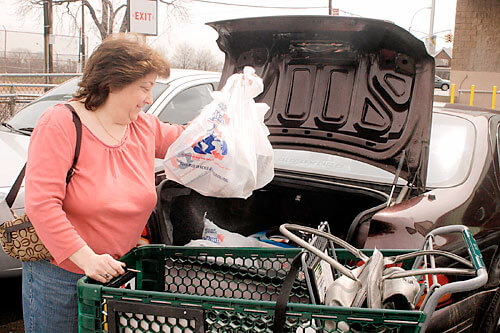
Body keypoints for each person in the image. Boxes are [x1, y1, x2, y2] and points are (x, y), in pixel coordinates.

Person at [22, 33, 185, 333]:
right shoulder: (60, 123)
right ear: (113, 83)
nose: (149, 98)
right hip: (63, 276)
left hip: (115, 274)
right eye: (145, 88)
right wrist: (86, 259)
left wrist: (231, 115)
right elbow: (41, 204)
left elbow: (188, 141)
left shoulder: (143, 127)